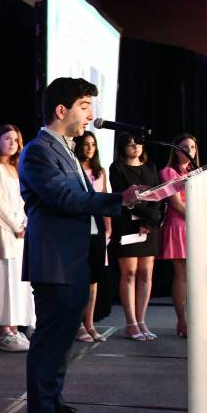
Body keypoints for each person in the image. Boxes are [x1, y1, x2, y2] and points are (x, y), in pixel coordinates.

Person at [19, 77, 141, 413]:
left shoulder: (66, 149)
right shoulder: (39, 150)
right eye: (85, 106)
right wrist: (121, 198)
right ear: (62, 110)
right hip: (55, 259)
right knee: (51, 337)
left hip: (73, 258)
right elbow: (64, 198)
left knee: (63, 337)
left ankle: (53, 404)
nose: (91, 115)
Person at [0, 124, 34, 351]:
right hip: (4, 230)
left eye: (16, 139)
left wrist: (25, 222)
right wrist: (14, 224)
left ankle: (15, 328)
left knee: (19, 281)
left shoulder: (17, 167)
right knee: (5, 279)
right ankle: (4, 331)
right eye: (7, 139)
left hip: (21, 230)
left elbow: (23, 199)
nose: (12, 143)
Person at [109, 132, 162, 341]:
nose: (135, 147)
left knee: (146, 274)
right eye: (130, 145)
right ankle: (131, 323)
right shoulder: (117, 168)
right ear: (123, 148)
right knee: (129, 273)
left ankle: (142, 321)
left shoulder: (150, 167)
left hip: (149, 225)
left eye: (138, 144)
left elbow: (158, 194)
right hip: (127, 224)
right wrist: (144, 219)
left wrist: (150, 222)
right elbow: (125, 196)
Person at [158, 134, 200, 338]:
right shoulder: (168, 172)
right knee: (182, 274)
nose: (189, 150)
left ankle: (202, 323)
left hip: (199, 226)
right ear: (176, 150)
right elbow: (176, 204)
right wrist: (197, 219)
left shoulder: (200, 172)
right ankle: (183, 323)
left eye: (192, 146)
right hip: (179, 226)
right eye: (184, 146)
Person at [73, 130, 112, 342]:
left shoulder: (100, 171)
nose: (89, 148)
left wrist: (108, 227)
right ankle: (77, 324)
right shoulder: (74, 169)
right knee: (80, 277)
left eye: (93, 144)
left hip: (97, 227)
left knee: (94, 280)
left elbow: (105, 200)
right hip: (79, 226)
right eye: (86, 144)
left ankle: (90, 323)